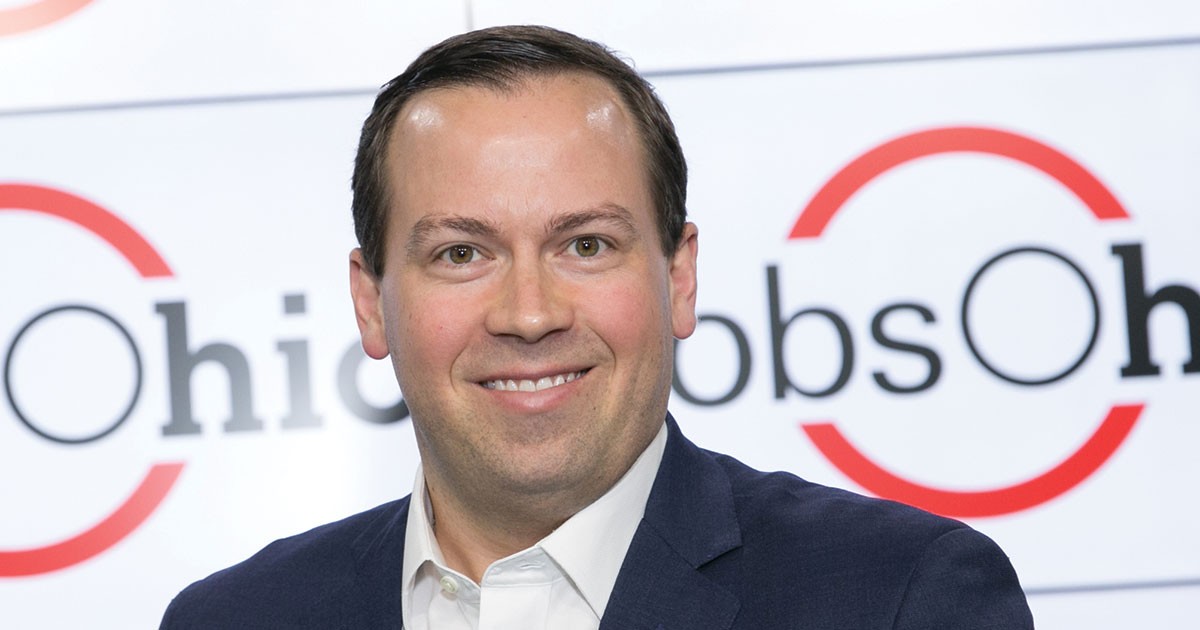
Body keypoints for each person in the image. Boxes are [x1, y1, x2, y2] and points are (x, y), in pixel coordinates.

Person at [160, 25, 1034, 629]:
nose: (530, 314)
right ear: (370, 301)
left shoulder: (898, 600)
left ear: (679, 276)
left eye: (586, 243)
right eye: (462, 254)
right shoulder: (234, 620)